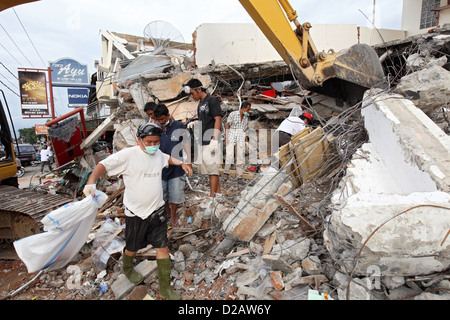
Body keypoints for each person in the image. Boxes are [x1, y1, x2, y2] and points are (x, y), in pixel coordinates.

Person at [83, 123, 193, 300]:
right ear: (139, 140)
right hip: (135, 213)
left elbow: (168, 158)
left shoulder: (158, 154)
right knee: (133, 248)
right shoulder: (128, 155)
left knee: (162, 247)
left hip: (156, 211)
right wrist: (91, 182)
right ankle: (127, 267)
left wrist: (183, 163)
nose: (153, 145)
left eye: (156, 141)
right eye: (149, 141)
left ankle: (165, 289)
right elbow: (103, 165)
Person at [153, 103, 192, 228]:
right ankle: (168, 212)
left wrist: (189, 162)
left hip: (177, 167)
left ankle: (173, 215)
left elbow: (186, 143)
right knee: (162, 194)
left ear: (168, 116)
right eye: (158, 120)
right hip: (161, 167)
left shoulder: (179, 126)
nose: (160, 122)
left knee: (176, 193)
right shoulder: (156, 128)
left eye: (162, 119)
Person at [184, 79, 223, 198]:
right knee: (210, 169)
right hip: (203, 139)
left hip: (212, 139)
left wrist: (214, 139)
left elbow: (218, 118)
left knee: (212, 170)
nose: (192, 96)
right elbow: (205, 119)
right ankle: (218, 193)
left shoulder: (212, 100)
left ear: (199, 89)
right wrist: (196, 123)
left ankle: (212, 197)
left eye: (192, 93)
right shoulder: (200, 103)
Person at [224, 101, 251, 178]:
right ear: (243, 108)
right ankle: (226, 173)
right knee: (229, 155)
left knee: (240, 157)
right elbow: (228, 126)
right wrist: (226, 138)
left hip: (241, 135)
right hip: (232, 134)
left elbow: (244, 130)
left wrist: (246, 142)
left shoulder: (246, 118)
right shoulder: (233, 114)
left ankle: (239, 175)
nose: (248, 111)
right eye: (248, 109)